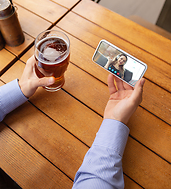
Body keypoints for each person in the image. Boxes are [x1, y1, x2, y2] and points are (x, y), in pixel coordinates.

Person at [0, 56, 145, 188]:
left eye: (123, 61)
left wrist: (19, 89)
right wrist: (114, 121)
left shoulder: (126, 72)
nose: (121, 61)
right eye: (120, 58)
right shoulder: (108, 60)